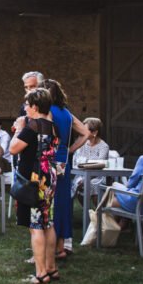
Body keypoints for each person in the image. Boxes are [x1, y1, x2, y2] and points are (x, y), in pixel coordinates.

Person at [9, 88, 60, 284]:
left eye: (27, 105)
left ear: (35, 107)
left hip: (34, 180)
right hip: (49, 178)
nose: (25, 109)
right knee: (48, 223)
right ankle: (51, 267)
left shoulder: (32, 127)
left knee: (35, 226)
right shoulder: (52, 126)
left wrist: (21, 127)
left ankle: (40, 273)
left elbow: (13, 149)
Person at [44, 79, 89, 260]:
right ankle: (62, 246)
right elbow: (85, 133)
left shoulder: (47, 113)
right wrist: (70, 150)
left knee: (48, 201)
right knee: (62, 201)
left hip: (51, 159)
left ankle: (51, 247)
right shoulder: (66, 113)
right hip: (64, 159)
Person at [71, 117, 109, 202]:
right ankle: (87, 213)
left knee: (93, 184)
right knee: (77, 184)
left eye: (85, 130)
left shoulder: (104, 146)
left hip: (98, 176)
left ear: (94, 132)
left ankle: (98, 212)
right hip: (83, 175)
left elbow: (99, 164)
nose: (82, 132)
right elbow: (77, 160)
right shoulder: (83, 144)